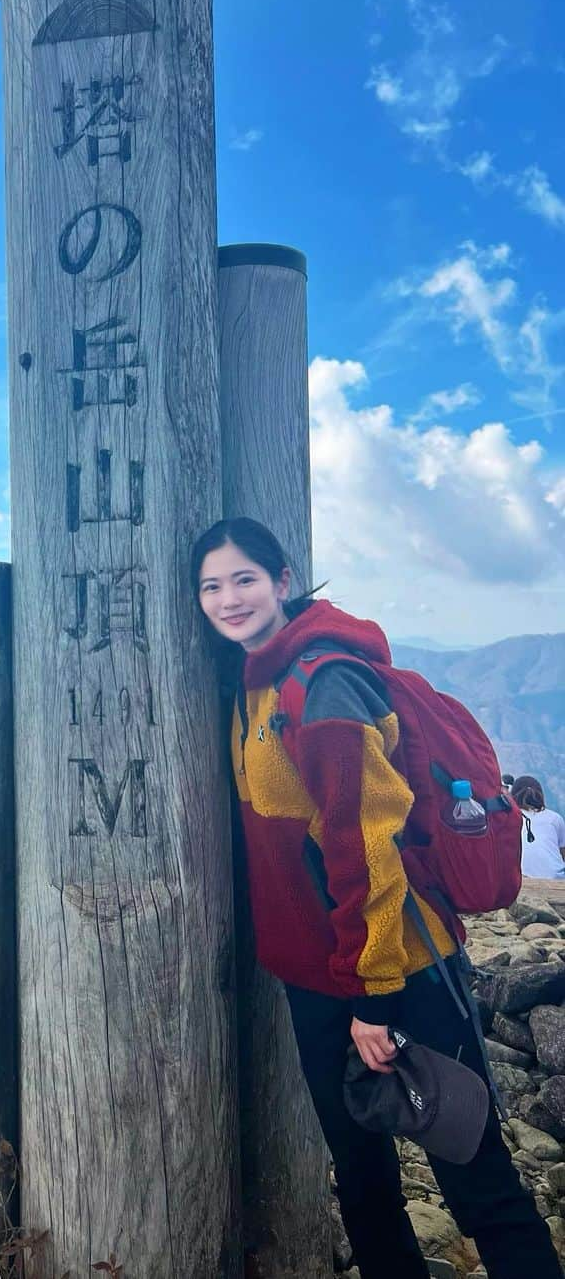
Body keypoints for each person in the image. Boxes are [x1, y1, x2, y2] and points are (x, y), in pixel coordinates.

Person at [192, 517, 560, 1279]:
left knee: (474, 1173)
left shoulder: (324, 682)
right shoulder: (251, 682)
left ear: (283, 580)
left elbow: (364, 845)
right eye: (211, 586)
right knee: (361, 1176)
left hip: (402, 969)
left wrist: (374, 996)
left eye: (244, 580)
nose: (228, 598)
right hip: (315, 976)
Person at [513, 776, 565, 881]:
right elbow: (563, 853)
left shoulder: (509, 818)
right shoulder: (555, 818)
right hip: (556, 878)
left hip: (523, 879)